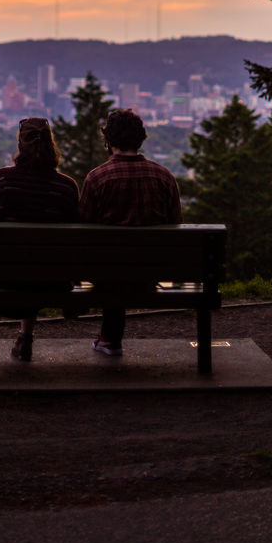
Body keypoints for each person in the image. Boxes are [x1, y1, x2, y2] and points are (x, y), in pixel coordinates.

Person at [79, 107, 181, 357]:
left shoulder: (97, 178)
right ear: (140, 139)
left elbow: (81, 230)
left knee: (113, 265)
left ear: (109, 140)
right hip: (152, 271)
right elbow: (176, 225)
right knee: (122, 265)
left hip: (107, 273)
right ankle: (109, 338)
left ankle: (109, 338)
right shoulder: (164, 177)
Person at [0, 117, 79, 361]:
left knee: (24, 261)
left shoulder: (1, 181)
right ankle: (25, 336)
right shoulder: (66, 188)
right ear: (51, 145)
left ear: (21, 145)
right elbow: (76, 241)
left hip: (5, 279)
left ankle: (25, 337)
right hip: (53, 282)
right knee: (39, 262)